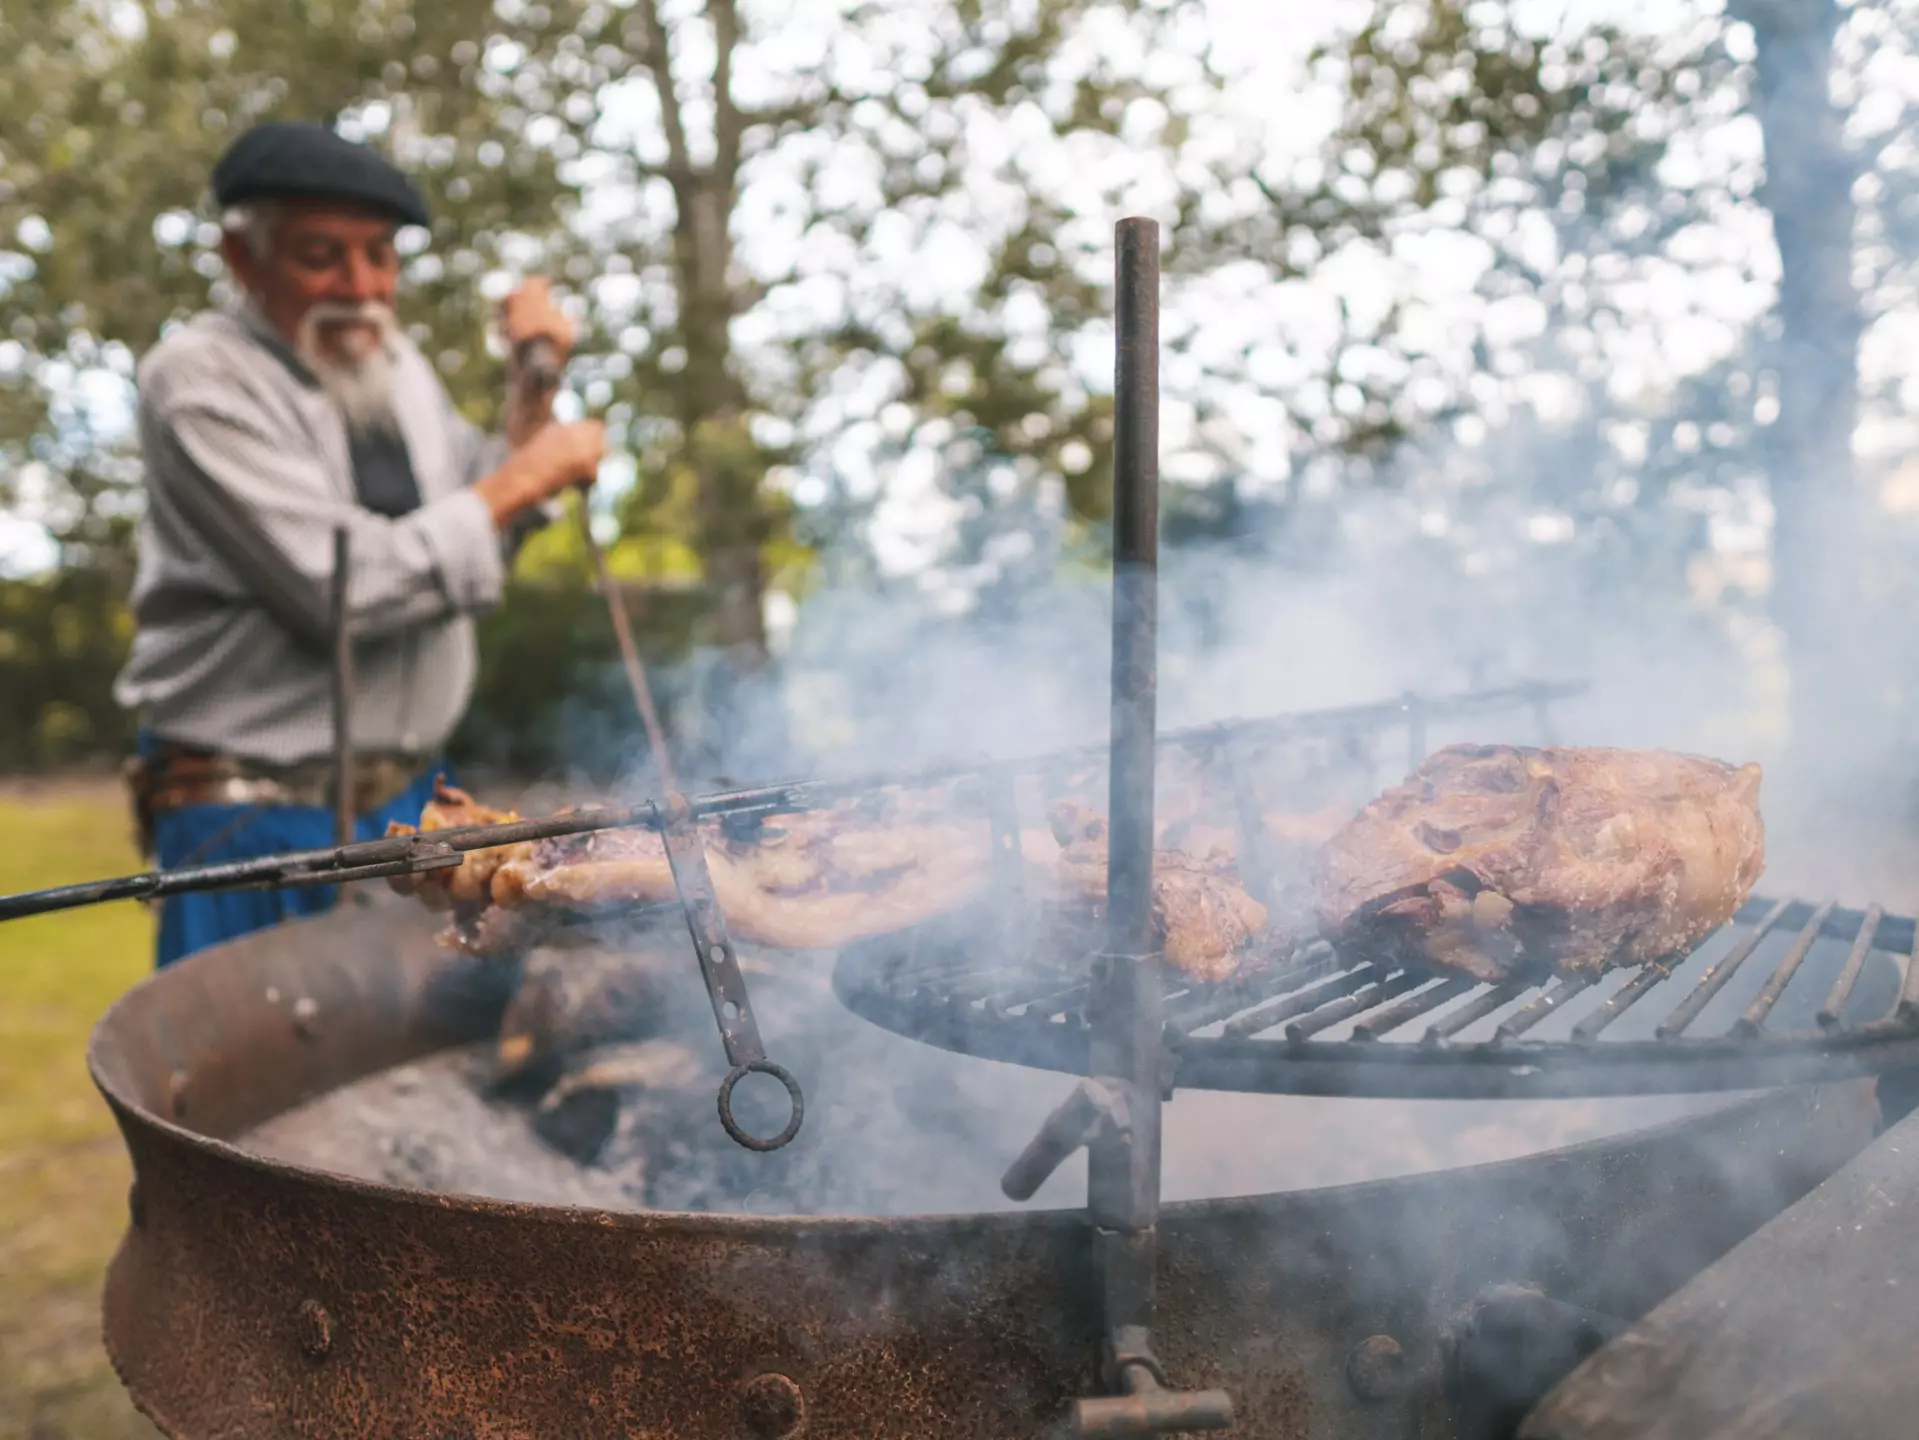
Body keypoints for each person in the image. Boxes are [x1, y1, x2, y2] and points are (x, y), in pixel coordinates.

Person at [114, 120, 606, 967]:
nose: (363, 286)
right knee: (254, 1085)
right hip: (254, 820)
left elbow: (479, 519)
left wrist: (529, 395)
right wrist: (528, 475)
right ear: (240, 258)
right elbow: (346, 589)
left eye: (380, 254)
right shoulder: (198, 381)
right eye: (321, 256)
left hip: (416, 804)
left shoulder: (396, 366)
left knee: (403, 1063)